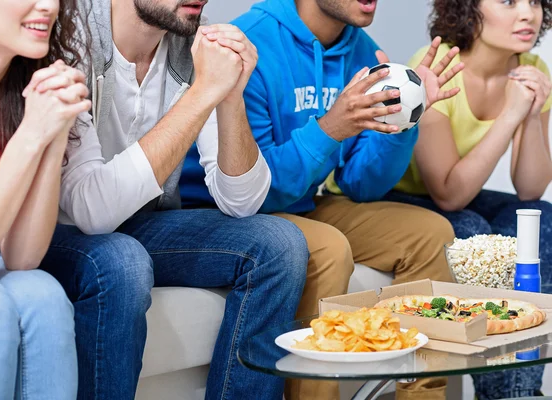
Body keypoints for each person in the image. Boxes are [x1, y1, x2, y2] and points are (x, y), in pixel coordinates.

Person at [179, 0, 464, 399]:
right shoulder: (251, 43)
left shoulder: (363, 53)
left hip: (301, 202)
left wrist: (403, 123)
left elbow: (361, 186)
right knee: (328, 248)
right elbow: (255, 191)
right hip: (226, 213)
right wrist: (331, 127)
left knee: (430, 233)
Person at [27, 0, 310, 399]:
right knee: (121, 261)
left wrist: (230, 95)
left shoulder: (192, 44)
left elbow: (242, 202)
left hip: (142, 223)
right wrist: (203, 93)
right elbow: (90, 212)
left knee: (280, 245)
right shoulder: (71, 39)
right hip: (53, 231)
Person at [384, 0, 552, 398]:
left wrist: (530, 114)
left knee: (539, 218)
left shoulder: (533, 70)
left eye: (534, 2)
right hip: (402, 196)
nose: (528, 14)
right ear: (468, 9)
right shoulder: (437, 68)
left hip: (459, 193)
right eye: (508, 2)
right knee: (473, 233)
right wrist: (511, 115)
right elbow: (449, 193)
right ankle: (501, 390)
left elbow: (530, 189)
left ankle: (516, 392)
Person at [0, 0, 89, 397]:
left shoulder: (26, 87)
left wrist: (56, 125)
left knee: (42, 294)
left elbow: (22, 258)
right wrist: (31, 135)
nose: (48, 6)